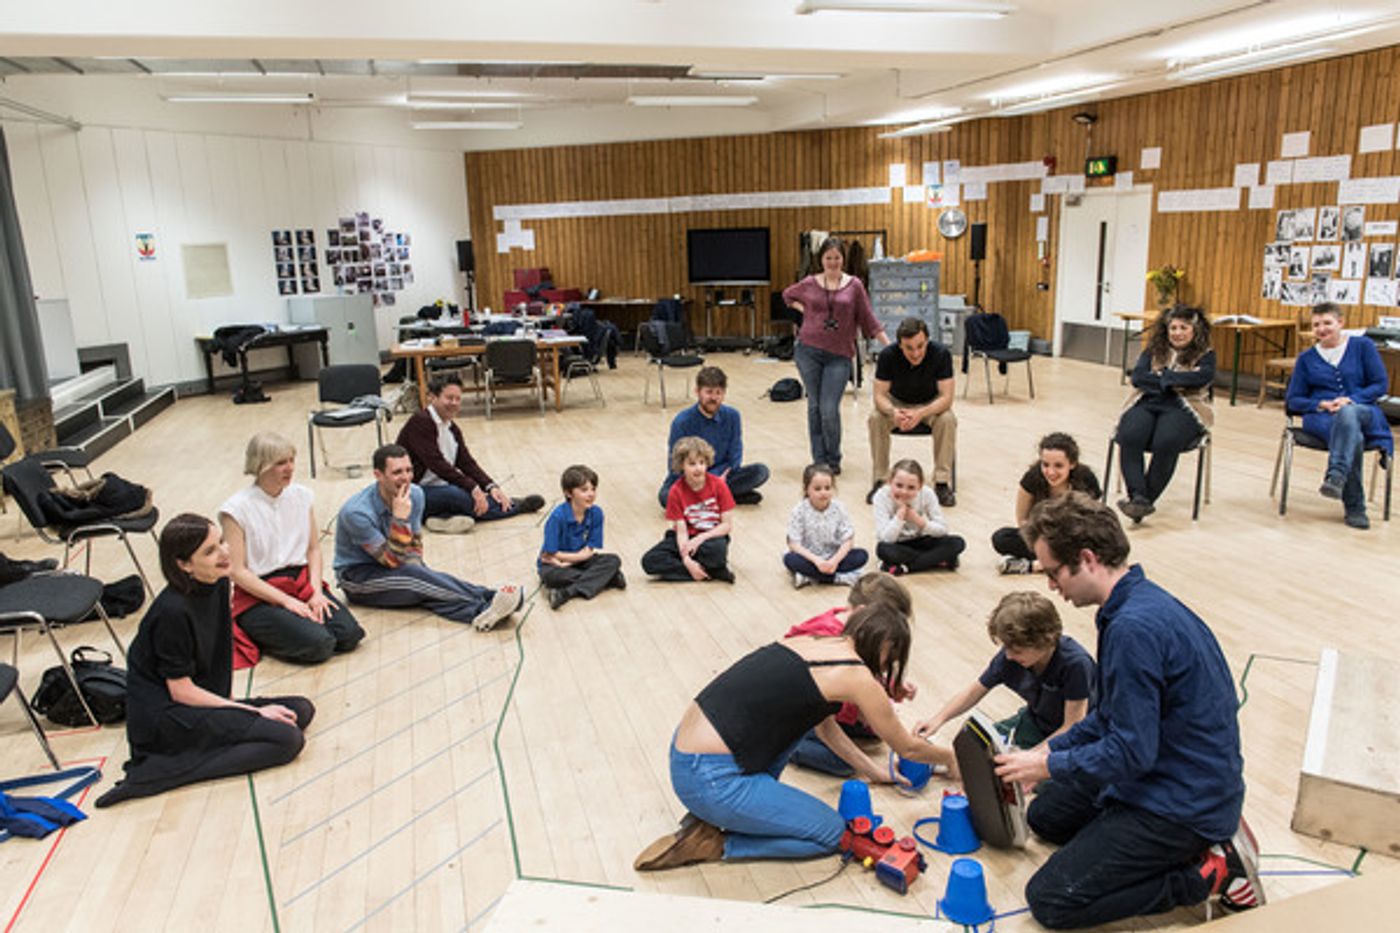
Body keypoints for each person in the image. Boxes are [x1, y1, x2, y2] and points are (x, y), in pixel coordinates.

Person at [994, 493, 1262, 928]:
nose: (1051, 584)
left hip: (1181, 801)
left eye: (1054, 572)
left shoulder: (1133, 629)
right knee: (1045, 815)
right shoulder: (1129, 605)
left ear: (1086, 558)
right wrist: (1047, 755)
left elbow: (1131, 751)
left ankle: (1209, 873)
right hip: (1165, 771)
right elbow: (1107, 717)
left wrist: (1050, 766)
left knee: (1051, 900)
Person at [632, 602, 957, 870]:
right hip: (711, 779)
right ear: (889, 649)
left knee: (800, 720)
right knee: (831, 834)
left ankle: (716, 817)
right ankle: (718, 844)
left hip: (686, 757)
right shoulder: (857, 676)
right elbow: (906, 747)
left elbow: (825, 727)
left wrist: (873, 772)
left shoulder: (814, 641)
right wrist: (952, 758)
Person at [95, 514, 314, 807]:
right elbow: (180, 691)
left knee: (300, 710)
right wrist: (247, 714)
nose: (224, 552)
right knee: (287, 740)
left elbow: (218, 651)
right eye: (209, 551)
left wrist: (235, 708)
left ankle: (223, 734)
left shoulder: (219, 583)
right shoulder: (172, 612)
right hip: (166, 717)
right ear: (184, 564)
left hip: (197, 699)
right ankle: (157, 774)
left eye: (221, 542)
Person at [333, 444, 524, 631]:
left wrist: (422, 574)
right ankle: (486, 600)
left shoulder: (415, 494)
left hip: (396, 566)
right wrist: (400, 519)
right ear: (378, 475)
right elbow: (391, 561)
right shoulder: (356, 513)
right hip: (358, 577)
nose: (406, 478)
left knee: (424, 585)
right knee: (416, 580)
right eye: (397, 472)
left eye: (409, 470)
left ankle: (485, 609)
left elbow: (414, 547)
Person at [218, 432, 364, 665]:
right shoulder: (236, 509)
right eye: (280, 463)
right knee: (320, 644)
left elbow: (313, 550)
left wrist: (316, 592)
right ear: (261, 466)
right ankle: (263, 630)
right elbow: (237, 571)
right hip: (260, 592)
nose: (289, 468)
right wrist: (287, 602)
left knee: (349, 635)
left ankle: (292, 626)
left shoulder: (301, 496)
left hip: (300, 582)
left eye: (291, 461)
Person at [914, 591, 1095, 749]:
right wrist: (938, 720)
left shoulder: (1075, 664)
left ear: (1046, 640)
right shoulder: (1012, 656)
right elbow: (974, 691)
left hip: (1081, 737)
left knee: (1048, 785)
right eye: (1006, 648)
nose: (1008, 656)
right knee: (978, 748)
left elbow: (1073, 726)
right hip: (1037, 722)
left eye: (1016, 650)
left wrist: (1031, 759)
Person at [784, 573, 918, 776]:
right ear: (864, 614)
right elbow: (834, 689)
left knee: (875, 731)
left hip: (824, 706)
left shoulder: (856, 632)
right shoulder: (828, 638)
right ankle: (788, 745)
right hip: (797, 711)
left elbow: (863, 672)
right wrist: (865, 711)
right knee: (844, 763)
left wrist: (890, 687)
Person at [781, 236, 891, 473]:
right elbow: (788, 295)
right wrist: (806, 310)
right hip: (808, 351)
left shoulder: (855, 285)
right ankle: (819, 460)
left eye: (837, 258)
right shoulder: (809, 283)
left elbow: (868, 319)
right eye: (828, 258)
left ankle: (834, 458)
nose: (832, 262)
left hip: (839, 356)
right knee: (815, 406)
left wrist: (889, 346)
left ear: (843, 259)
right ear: (821, 259)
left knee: (829, 408)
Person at [1285, 302, 1392, 529]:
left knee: (1348, 414)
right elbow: (1294, 400)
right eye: (1316, 325)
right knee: (1354, 436)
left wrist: (1351, 399)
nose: (1322, 329)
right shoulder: (1306, 359)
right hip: (1323, 417)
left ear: (1340, 323)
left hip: (1363, 409)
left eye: (1327, 323)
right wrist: (1321, 403)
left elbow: (1380, 384)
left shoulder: (1363, 346)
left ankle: (1336, 475)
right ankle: (1354, 506)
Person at [395, 374, 544, 533]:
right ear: (433, 398)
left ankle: (441, 516)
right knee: (456, 495)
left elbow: (466, 462)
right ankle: (515, 507)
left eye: (458, 399)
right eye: (449, 398)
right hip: (412, 492)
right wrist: (473, 488)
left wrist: (490, 486)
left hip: (438, 487)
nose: (454, 403)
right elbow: (437, 464)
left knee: (463, 494)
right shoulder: (421, 422)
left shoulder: (451, 427)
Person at [1114, 305, 1215, 523]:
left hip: (1186, 406)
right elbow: (1138, 377)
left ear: (1195, 330)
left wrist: (1165, 378)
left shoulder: (1205, 354)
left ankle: (1143, 501)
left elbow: (1201, 379)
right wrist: (1169, 380)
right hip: (1148, 400)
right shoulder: (1153, 350)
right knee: (1129, 434)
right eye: (1173, 328)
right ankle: (1138, 497)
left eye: (1183, 328)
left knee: (1166, 440)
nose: (1177, 333)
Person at [868, 316, 958, 507]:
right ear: (900, 345)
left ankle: (942, 482)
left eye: (920, 346)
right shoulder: (888, 355)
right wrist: (893, 412)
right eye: (909, 348)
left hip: (930, 404)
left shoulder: (941, 354)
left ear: (927, 340)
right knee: (875, 418)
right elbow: (879, 397)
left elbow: (946, 398)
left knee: (948, 419)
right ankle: (880, 480)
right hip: (898, 403)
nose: (916, 353)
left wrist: (921, 413)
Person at [657, 366, 770, 507]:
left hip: (723, 476)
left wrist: (717, 478)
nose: (714, 398)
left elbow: (735, 455)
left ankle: (708, 498)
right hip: (691, 479)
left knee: (761, 472)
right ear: (697, 392)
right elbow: (675, 465)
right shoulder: (682, 421)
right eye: (709, 392)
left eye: (718, 393)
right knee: (666, 498)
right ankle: (722, 496)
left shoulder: (733, 416)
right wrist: (704, 480)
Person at [992, 433, 1101, 575]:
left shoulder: (1087, 479)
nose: (1051, 472)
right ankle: (1062, 563)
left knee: (1098, 544)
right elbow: (1023, 522)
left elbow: (1095, 521)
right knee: (1002, 538)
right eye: (1045, 465)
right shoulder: (1032, 478)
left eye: (1059, 466)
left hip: (1074, 537)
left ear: (1072, 464)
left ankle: (1033, 566)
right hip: (1042, 537)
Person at [641, 437, 735, 583]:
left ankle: (697, 569)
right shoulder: (675, 491)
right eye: (692, 464)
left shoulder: (719, 485)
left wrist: (699, 539)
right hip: (684, 538)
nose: (698, 468)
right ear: (682, 466)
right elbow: (682, 531)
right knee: (649, 561)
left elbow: (726, 525)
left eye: (702, 463)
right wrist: (686, 559)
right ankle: (708, 571)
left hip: (710, 537)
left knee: (717, 550)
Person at [538, 464, 626, 610]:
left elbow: (589, 551)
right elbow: (549, 555)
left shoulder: (596, 513)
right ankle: (607, 579)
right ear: (568, 493)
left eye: (593, 489)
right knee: (551, 577)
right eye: (584, 490)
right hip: (556, 565)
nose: (591, 494)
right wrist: (566, 562)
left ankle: (567, 593)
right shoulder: (557, 517)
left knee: (613, 560)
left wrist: (568, 563)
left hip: (573, 561)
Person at [872, 458, 965, 575]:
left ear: (920, 486)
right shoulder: (881, 497)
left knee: (957, 543)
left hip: (920, 541)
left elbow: (943, 529)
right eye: (899, 485)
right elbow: (886, 538)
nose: (904, 492)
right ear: (890, 481)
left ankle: (904, 567)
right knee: (883, 549)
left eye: (911, 487)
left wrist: (919, 521)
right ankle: (936, 561)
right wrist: (900, 515)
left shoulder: (927, 494)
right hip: (897, 545)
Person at [784, 463, 868, 588]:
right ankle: (839, 578)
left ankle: (811, 577)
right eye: (817, 489)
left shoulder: (839, 508)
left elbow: (848, 540)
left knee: (862, 555)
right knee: (789, 559)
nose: (823, 493)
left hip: (834, 556)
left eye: (827, 488)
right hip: (810, 558)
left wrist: (834, 561)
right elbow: (793, 544)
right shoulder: (799, 511)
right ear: (807, 489)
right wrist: (817, 561)